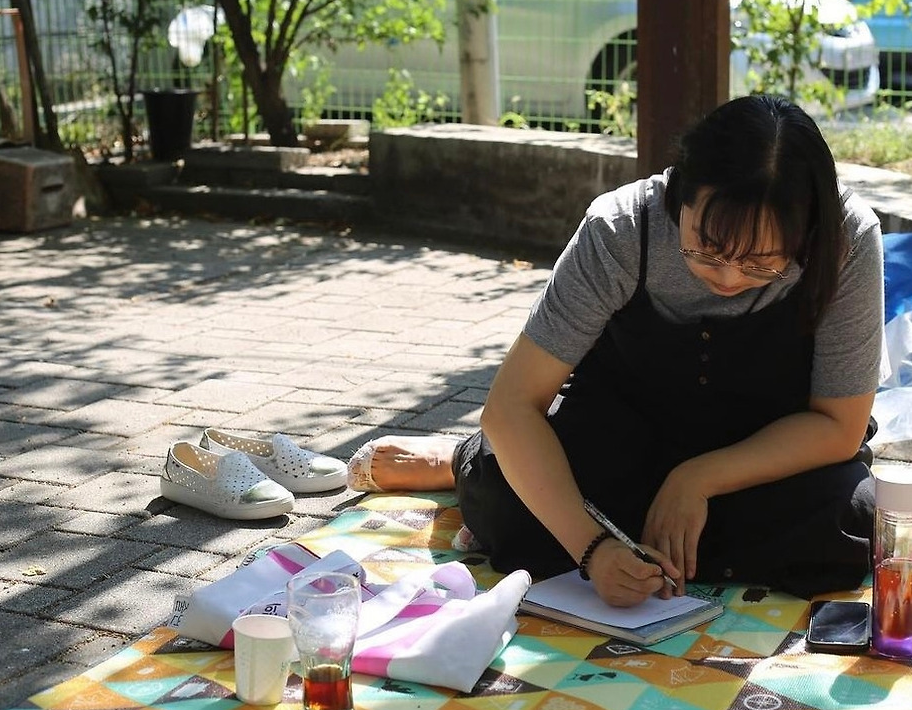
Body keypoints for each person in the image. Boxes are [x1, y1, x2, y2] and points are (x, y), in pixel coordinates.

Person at [348, 94, 884, 607]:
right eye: (707, 249)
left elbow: (838, 425)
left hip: (762, 448)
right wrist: (592, 550)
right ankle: (460, 462)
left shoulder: (848, 238)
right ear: (680, 193)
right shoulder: (623, 228)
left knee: (854, 519)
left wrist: (697, 480)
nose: (728, 278)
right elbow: (512, 408)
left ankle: (659, 531)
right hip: (627, 434)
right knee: (503, 492)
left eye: (763, 264)